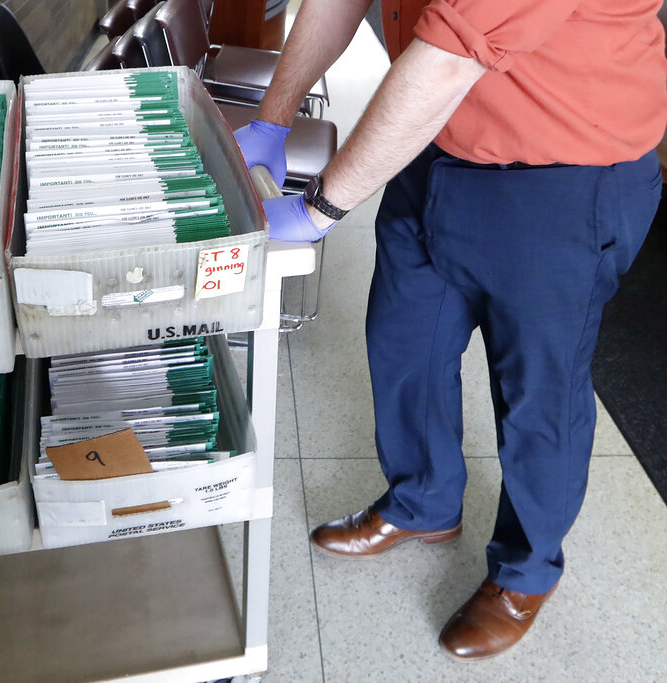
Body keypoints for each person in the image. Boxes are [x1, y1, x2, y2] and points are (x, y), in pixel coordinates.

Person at [233, 0, 666, 661]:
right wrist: (273, 116)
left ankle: (526, 571)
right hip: (434, 142)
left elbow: (447, 57)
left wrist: (322, 205)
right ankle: (423, 498)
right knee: (405, 338)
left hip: (562, 174)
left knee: (537, 391)